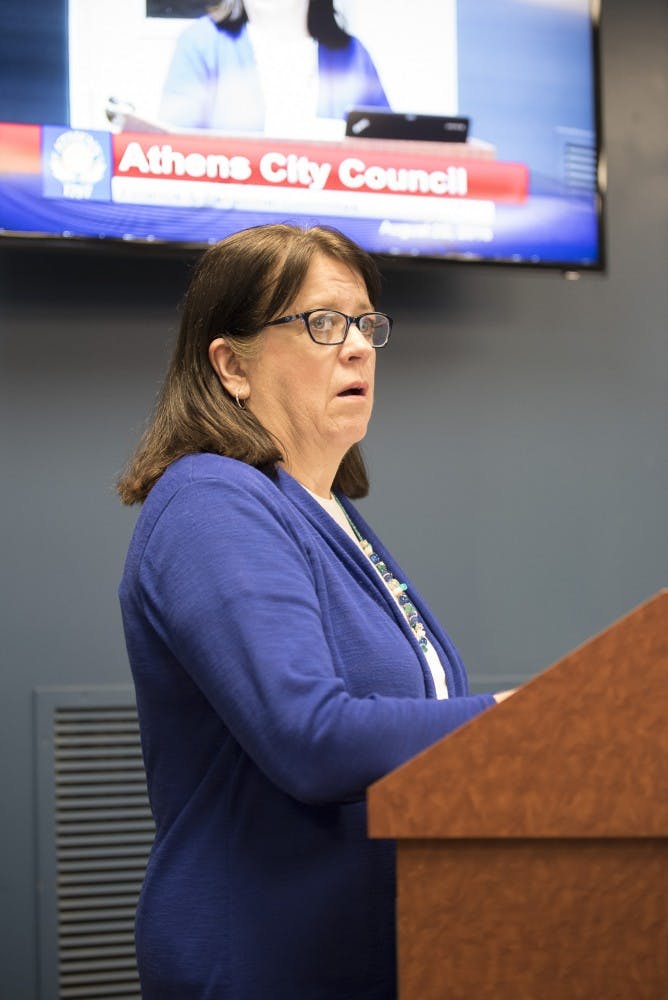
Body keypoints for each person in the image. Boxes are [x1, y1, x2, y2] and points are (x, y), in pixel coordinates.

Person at [117, 222, 513, 999]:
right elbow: (312, 737)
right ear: (232, 365)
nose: (359, 347)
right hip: (261, 962)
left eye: (367, 324)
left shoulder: (324, 509)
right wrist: (516, 718)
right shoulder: (211, 501)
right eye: (323, 324)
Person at [159, 0, 390, 136]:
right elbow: (172, 154)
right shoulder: (200, 43)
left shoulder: (352, 54)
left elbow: (389, 158)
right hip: (232, 219)